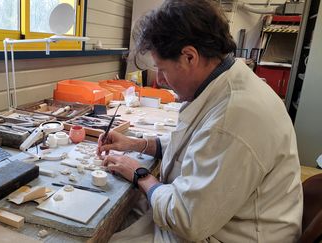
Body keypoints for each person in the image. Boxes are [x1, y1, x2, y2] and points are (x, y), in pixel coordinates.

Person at [97, 0, 303, 242]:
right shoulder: (224, 81)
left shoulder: (234, 116)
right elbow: (196, 142)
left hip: (230, 234)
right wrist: (137, 144)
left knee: (110, 237)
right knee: (124, 216)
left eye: (162, 69)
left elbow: (186, 219)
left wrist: (140, 174)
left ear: (189, 57)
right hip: (218, 217)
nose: (160, 80)